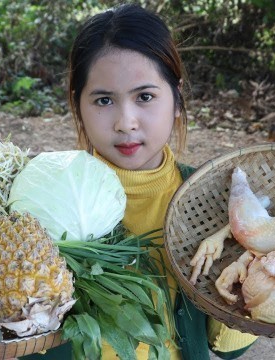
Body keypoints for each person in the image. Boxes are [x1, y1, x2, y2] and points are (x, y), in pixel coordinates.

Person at [23, 3, 257, 359]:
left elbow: (226, 349)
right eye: (104, 100)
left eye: (145, 97)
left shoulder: (210, 200)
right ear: (79, 107)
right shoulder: (43, 198)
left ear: (177, 99)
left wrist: (249, 274)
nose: (125, 122)